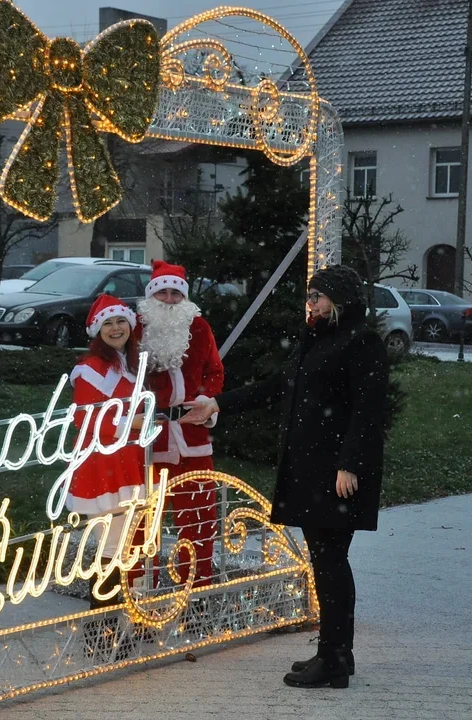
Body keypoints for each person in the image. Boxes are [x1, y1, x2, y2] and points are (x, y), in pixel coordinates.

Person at [181, 265, 388, 689]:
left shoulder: (360, 342)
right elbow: (278, 385)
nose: (310, 303)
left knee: (330, 562)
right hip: (310, 469)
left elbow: (369, 410)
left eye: (318, 296)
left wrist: (349, 464)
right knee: (326, 561)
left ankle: (333, 659)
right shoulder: (317, 339)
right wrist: (217, 404)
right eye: (308, 296)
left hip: (335, 473)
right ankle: (336, 654)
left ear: (341, 300)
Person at [68, 293, 149, 656]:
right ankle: (101, 636)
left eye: (121, 322)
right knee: (111, 552)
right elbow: (85, 417)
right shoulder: (90, 369)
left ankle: (110, 631)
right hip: (103, 466)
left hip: (123, 462)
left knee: (119, 551)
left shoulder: (126, 365)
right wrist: (131, 424)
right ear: (97, 330)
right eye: (108, 323)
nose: (115, 329)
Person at [135, 260, 224, 589]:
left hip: (192, 438)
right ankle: (143, 592)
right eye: (162, 293)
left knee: (200, 520)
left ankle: (197, 593)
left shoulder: (199, 327)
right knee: (143, 523)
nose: (170, 300)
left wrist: (205, 401)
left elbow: (214, 372)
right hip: (148, 440)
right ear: (151, 297)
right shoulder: (134, 329)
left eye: (176, 293)